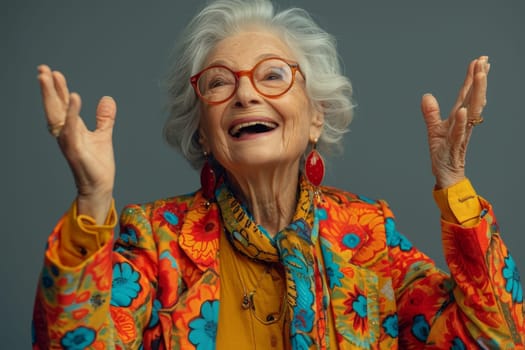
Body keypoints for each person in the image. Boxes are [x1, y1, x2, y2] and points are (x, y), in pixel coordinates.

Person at [32, 0, 524, 348]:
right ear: (203, 133)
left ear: (315, 116)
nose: (245, 95)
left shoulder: (368, 233)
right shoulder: (154, 241)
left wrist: (454, 183)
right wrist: (94, 199)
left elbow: (495, 338)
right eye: (220, 82)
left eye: (271, 75)